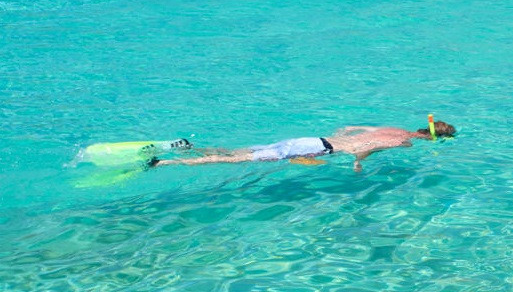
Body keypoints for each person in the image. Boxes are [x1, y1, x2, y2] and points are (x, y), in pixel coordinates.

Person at [154, 119, 456, 173]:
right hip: (316, 149)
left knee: (239, 152)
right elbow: (365, 147)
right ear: (432, 138)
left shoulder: (396, 128)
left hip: (309, 139)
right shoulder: (402, 142)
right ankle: (165, 163)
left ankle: (186, 149)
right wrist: (359, 162)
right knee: (235, 161)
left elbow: (354, 129)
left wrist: (346, 139)